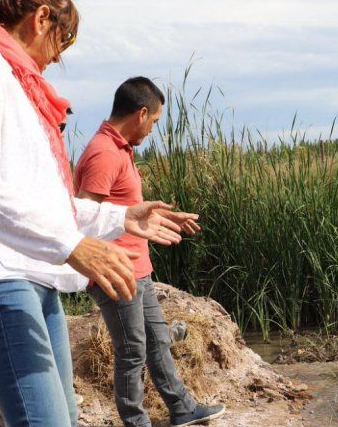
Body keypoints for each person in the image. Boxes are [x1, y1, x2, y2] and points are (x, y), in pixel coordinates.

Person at [0, 0, 187, 426]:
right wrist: (71, 245)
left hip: (31, 273)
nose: (60, 55)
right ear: (41, 18)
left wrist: (120, 218)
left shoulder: (11, 78)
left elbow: (44, 206)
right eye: (64, 39)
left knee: (64, 417)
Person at [74, 77, 226, 427]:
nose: (153, 129)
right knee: (131, 352)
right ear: (141, 113)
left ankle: (183, 408)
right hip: (116, 270)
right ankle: (135, 422)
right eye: (155, 121)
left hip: (137, 268)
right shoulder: (104, 153)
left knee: (158, 339)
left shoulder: (119, 149)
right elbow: (82, 215)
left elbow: (124, 208)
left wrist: (162, 215)